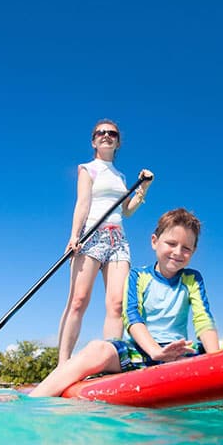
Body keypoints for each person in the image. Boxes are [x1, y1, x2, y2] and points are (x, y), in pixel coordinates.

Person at [30, 208, 220, 397]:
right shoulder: (138, 276)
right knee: (98, 348)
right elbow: (131, 317)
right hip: (141, 352)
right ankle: (34, 399)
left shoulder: (192, 278)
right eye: (171, 243)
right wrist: (155, 351)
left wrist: (216, 360)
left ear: (193, 251)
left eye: (186, 248)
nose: (178, 252)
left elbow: (203, 319)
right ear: (155, 242)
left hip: (179, 353)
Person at [57, 119, 154, 364]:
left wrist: (143, 188)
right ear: (94, 140)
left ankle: (109, 362)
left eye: (112, 133)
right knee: (78, 301)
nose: (106, 136)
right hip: (91, 236)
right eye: (101, 133)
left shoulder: (121, 177)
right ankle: (63, 363)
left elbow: (127, 210)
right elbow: (83, 203)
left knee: (117, 305)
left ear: (118, 142)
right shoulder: (86, 168)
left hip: (118, 240)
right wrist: (74, 235)